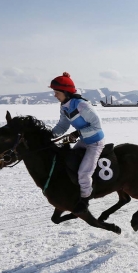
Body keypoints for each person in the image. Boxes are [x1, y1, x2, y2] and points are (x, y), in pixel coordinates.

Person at [50, 72, 105, 207]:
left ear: (66, 92)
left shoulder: (82, 105)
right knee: (67, 162)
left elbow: (97, 126)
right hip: (84, 141)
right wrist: (50, 135)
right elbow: (63, 125)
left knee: (83, 173)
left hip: (95, 143)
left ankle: (84, 201)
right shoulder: (64, 106)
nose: (55, 95)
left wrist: (78, 132)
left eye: (57, 92)